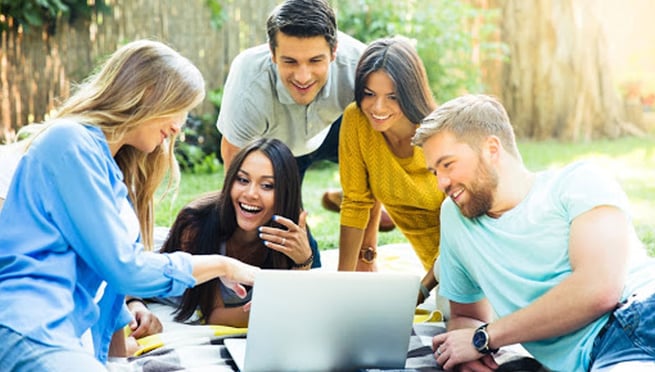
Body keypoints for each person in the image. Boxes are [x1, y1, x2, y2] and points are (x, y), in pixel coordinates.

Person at [0, 39, 259, 371]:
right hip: (27, 328)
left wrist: (121, 336)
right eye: (180, 108)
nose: (180, 127)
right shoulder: (69, 142)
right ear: (148, 92)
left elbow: (107, 277)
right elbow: (125, 267)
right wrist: (223, 265)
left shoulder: (110, 172)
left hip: (62, 338)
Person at [412, 94, 655, 371]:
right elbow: (466, 315)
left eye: (448, 165)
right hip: (595, 358)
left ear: (491, 149)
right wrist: (467, 350)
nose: (441, 182)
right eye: (434, 172)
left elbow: (599, 289)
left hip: (639, 313)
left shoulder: (578, 181)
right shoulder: (455, 217)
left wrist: (485, 338)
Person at [216, 0, 393, 258]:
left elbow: (376, 153)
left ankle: (361, 201)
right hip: (277, 149)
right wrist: (240, 238)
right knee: (301, 256)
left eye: (315, 60)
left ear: (334, 52)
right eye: (289, 61)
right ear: (272, 54)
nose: (303, 76)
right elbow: (234, 157)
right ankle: (336, 199)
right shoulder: (249, 83)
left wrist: (367, 252)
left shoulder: (359, 65)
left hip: (334, 130)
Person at [159, 138, 313, 327]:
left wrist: (303, 261)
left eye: (267, 186)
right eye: (242, 180)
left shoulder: (289, 231)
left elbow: (298, 305)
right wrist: (273, 311)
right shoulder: (197, 224)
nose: (250, 193)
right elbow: (214, 315)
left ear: (285, 194)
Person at [337, 37, 444, 306]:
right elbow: (356, 202)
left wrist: (421, 290)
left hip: (465, 265)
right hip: (435, 271)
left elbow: (471, 237)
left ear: (411, 94)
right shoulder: (356, 120)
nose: (378, 108)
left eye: (392, 97)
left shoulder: (441, 135)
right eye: (369, 94)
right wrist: (339, 288)